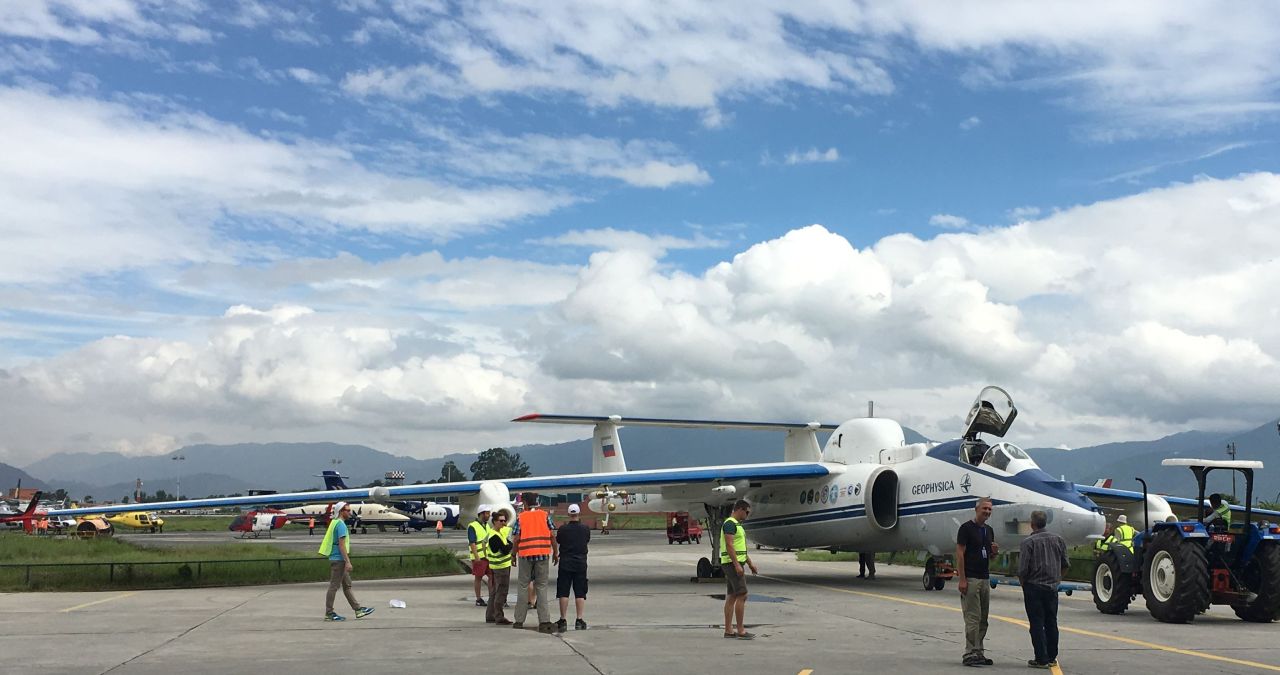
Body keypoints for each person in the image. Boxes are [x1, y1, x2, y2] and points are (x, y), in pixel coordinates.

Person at [1018, 510, 1069, 669]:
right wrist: (1057, 579)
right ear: (1046, 522)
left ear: (1032, 524)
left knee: (1036, 623)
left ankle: (1041, 658)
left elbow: (1023, 569)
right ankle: (1052, 656)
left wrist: (1023, 584)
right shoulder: (1058, 540)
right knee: (1051, 622)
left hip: (1033, 587)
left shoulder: (1028, 542)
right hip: (1052, 588)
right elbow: (1065, 564)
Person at [956, 496, 998, 667]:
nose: (987, 512)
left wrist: (994, 552)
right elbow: (959, 553)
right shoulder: (966, 528)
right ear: (977, 509)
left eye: (989, 509)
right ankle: (970, 652)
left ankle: (979, 651)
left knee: (983, 618)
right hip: (972, 578)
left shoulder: (989, 530)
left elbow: (989, 556)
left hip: (984, 577)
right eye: (984, 509)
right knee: (972, 617)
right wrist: (962, 579)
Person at [510, 492, 558, 633]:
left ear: (524, 502)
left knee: (523, 586)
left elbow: (517, 539)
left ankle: (519, 620)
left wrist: (513, 554)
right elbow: (552, 536)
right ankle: (544, 621)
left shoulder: (521, 517)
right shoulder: (544, 515)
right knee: (542, 587)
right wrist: (555, 552)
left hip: (525, 556)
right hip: (543, 555)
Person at [318, 502, 374, 622]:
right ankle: (329, 613)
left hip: (337, 558)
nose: (349, 512)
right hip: (339, 560)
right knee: (334, 586)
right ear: (341, 511)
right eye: (347, 510)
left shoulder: (334, 523)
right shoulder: (341, 525)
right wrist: (347, 561)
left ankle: (358, 610)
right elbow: (342, 545)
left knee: (347, 586)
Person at [721, 499, 758, 640]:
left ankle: (729, 630)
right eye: (747, 512)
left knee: (732, 596)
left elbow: (740, 548)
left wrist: (749, 563)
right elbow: (730, 545)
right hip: (732, 564)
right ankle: (741, 630)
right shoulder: (730, 524)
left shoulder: (737, 525)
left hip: (734, 563)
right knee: (742, 594)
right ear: (740, 509)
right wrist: (737, 565)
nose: (747, 515)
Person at [555, 503, 591, 631]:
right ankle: (579, 619)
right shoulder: (585, 529)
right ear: (578, 514)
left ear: (569, 514)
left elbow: (558, 540)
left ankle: (563, 619)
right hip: (581, 563)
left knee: (563, 591)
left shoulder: (563, 529)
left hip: (565, 562)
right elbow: (587, 540)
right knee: (580, 592)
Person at [485, 511, 514, 624]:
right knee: (501, 592)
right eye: (501, 521)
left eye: (504, 520)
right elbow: (505, 549)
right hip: (500, 566)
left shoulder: (499, 533)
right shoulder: (494, 536)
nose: (504, 523)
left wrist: (508, 545)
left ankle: (490, 615)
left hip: (499, 566)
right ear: (494, 522)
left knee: (494, 591)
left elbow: (507, 544)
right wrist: (510, 545)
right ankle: (499, 616)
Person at [468, 505, 493, 607]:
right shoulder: (472, 526)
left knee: (492, 576)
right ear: (481, 514)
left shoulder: (487, 525)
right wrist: (476, 557)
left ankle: (492, 597)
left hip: (487, 556)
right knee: (478, 577)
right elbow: (472, 542)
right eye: (487, 513)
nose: (489, 515)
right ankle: (478, 599)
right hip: (479, 557)